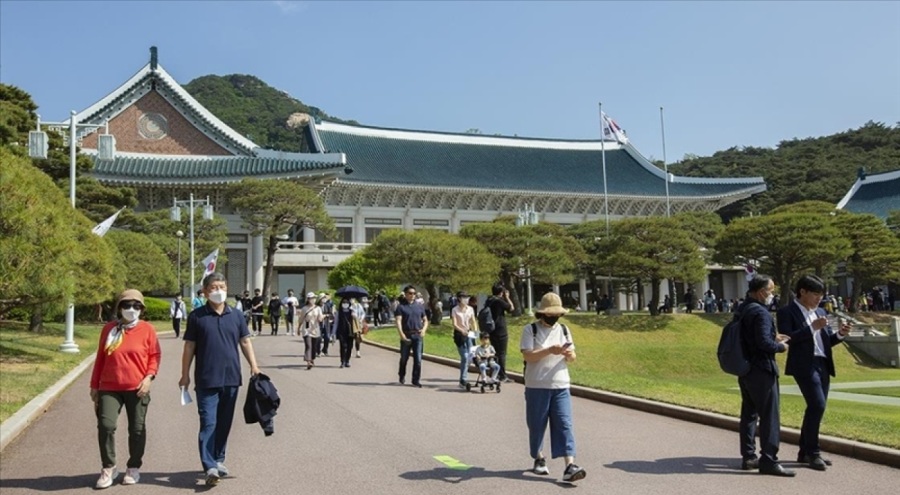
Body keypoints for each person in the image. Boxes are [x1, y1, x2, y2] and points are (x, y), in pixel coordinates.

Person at [180, 272, 261, 486]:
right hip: (206, 379)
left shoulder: (236, 315)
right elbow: (189, 346)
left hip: (231, 378)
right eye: (214, 287)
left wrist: (254, 366)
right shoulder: (197, 316)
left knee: (224, 423)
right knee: (209, 422)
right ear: (205, 291)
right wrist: (184, 374)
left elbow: (245, 342)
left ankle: (218, 459)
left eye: (222, 287)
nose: (219, 291)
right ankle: (209, 466)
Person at [776, 275, 851, 471]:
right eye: (816, 294)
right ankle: (813, 452)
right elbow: (787, 338)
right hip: (804, 365)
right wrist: (811, 328)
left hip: (823, 363)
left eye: (821, 295)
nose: (820, 299)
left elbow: (826, 342)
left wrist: (840, 334)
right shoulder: (786, 312)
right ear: (803, 292)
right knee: (817, 404)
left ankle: (805, 452)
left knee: (817, 407)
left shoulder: (820, 312)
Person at [90, 289, 161, 488]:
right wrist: (94, 385)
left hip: (137, 387)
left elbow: (154, 356)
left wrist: (149, 378)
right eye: (127, 305)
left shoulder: (147, 329)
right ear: (119, 308)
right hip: (109, 387)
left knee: (137, 429)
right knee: (106, 425)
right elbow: (101, 357)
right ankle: (109, 467)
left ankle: (133, 467)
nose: (131, 309)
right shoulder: (109, 329)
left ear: (141, 309)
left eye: (136, 306)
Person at [520, 292, 585, 483]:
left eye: (557, 314)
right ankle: (539, 457)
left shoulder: (564, 330)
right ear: (542, 313)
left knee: (564, 423)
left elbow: (573, 357)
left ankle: (569, 465)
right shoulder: (530, 330)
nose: (554, 317)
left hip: (560, 383)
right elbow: (528, 356)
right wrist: (549, 350)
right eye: (551, 314)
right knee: (537, 424)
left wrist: (568, 354)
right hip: (537, 384)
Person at [737, 274, 794, 477]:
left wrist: (772, 336)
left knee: (749, 414)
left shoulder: (742, 309)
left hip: (745, 368)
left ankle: (748, 456)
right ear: (761, 292)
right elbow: (763, 343)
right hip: (762, 369)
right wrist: (780, 346)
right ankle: (769, 459)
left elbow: (750, 337)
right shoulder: (761, 312)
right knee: (770, 416)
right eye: (770, 291)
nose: (772, 295)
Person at [396, 284, 429, 387]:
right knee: (404, 358)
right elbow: (398, 321)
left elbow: (425, 320)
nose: (412, 295)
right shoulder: (401, 307)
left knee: (418, 359)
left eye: (414, 293)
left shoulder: (419, 306)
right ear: (406, 294)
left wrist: (424, 330)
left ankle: (415, 380)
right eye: (410, 293)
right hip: (406, 335)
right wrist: (401, 334)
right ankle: (402, 375)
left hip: (417, 335)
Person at [486, 283, 515, 382]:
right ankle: (502, 375)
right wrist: (507, 297)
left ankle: (495, 373)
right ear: (501, 292)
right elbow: (511, 308)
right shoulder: (499, 301)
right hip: (500, 330)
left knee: (495, 353)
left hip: (491, 330)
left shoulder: (489, 300)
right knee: (502, 354)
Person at [451, 291, 477, 388]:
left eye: (467, 297)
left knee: (470, 356)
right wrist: (461, 330)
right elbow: (454, 324)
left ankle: (463, 377)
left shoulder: (470, 309)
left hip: (469, 334)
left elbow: (473, 321)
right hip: (459, 335)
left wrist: (475, 330)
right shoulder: (455, 310)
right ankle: (463, 379)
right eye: (464, 297)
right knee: (465, 356)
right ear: (459, 299)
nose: (466, 299)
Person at [298, 292, 324, 369]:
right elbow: (301, 319)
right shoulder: (304, 308)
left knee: (314, 346)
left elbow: (320, 318)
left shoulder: (318, 308)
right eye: (311, 298)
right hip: (307, 329)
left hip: (315, 329)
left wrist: (322, 317)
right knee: (308, 345)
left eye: (314, 298)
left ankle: (312, 358)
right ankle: (308, 361)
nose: (313, 300)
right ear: (308, 299)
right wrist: (298, 328)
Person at [333, 297, 357, 368]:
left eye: (346, 302)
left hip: (350, 331)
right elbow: (336, 323)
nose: (345, 304)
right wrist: (333, 333)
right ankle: (342, 361)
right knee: (343, 346)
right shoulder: (339, 312)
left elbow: (356, 319)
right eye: (344, 302)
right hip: (341, 331)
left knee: (350, 346)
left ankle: (347, 360)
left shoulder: (352, 311)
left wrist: (354, 313)